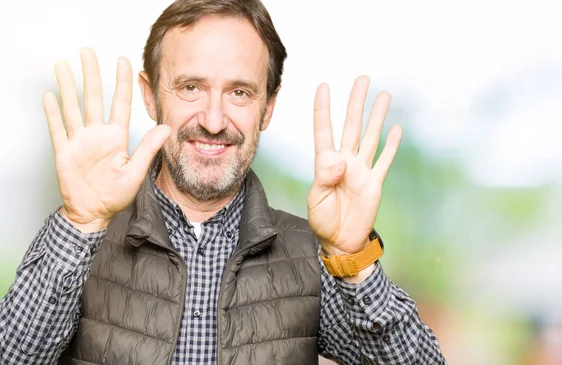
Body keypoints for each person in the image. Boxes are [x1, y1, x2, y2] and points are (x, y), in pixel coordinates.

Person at [0, 0, 446, 364]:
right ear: (151, 94)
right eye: (190, 87)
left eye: (239, 92)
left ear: (268, 107)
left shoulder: (315, 257)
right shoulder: (83, 241)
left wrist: (353, 259)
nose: (213, 121)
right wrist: (81, 222)